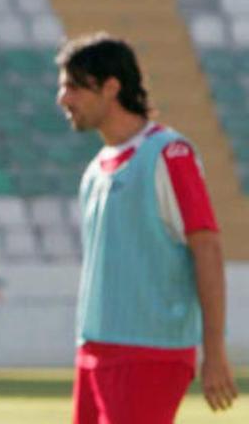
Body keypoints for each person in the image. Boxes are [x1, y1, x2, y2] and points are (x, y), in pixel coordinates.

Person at [56, 32, 239, 423]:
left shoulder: (169, 153)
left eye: (74, 86)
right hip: (94, 348)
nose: (64, 99)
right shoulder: (94, 170)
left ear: (111, 87)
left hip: (148, 351)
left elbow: (206, 247)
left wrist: (215, 350)